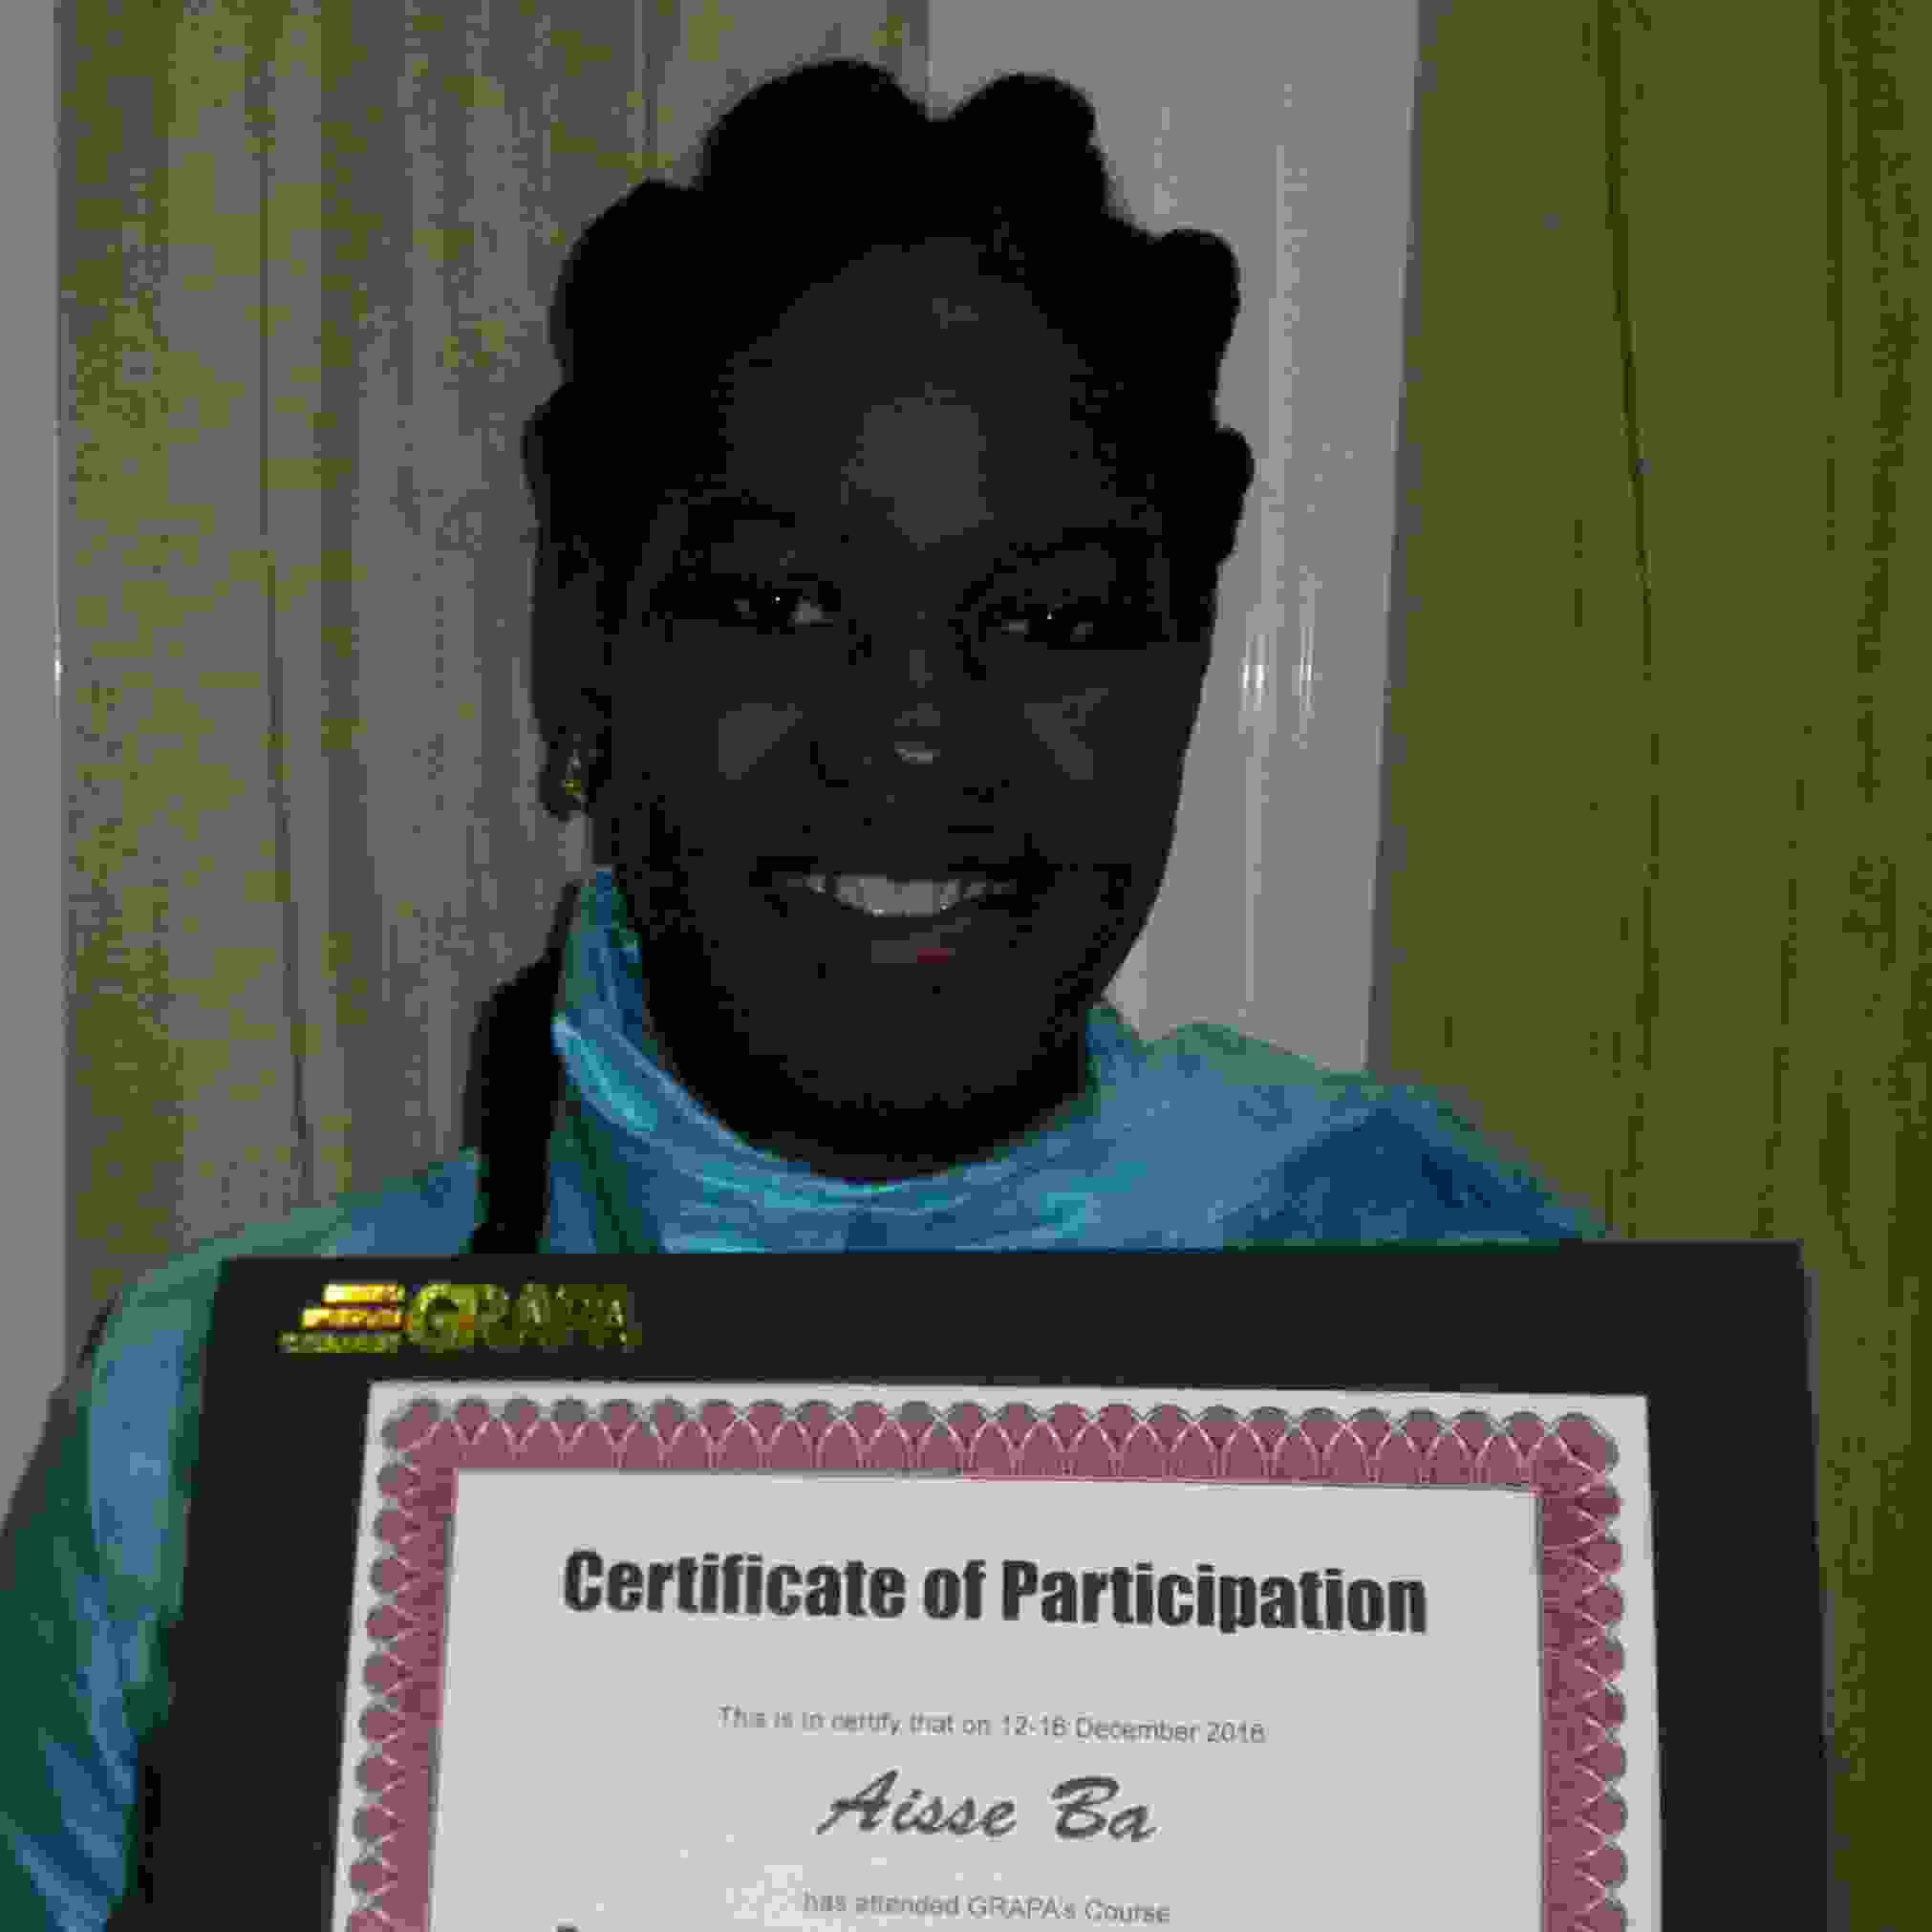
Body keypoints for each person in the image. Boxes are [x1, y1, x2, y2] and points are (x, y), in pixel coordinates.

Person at [2, 59, 1604, 1928]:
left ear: (1184, 676)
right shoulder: (209, 1429)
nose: (911, 730)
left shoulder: (1465, 1321)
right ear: (584, 645)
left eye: (1053, 620)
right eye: (772, 605)